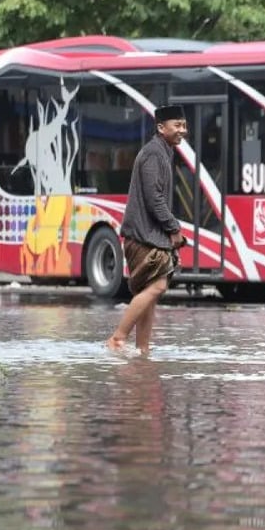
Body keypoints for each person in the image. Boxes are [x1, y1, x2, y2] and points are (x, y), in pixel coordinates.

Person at [105, 105, 188, 354]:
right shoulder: (154, 153)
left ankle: (143, 351)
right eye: (177, 125)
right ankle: (117, 338)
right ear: (161, 128)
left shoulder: (164, 151)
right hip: (142, 237)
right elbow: (154, 199)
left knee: (149, 296)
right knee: (158, 287)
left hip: (149, 236)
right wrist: (174, 228)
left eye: (184, 125)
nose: (182, 130)